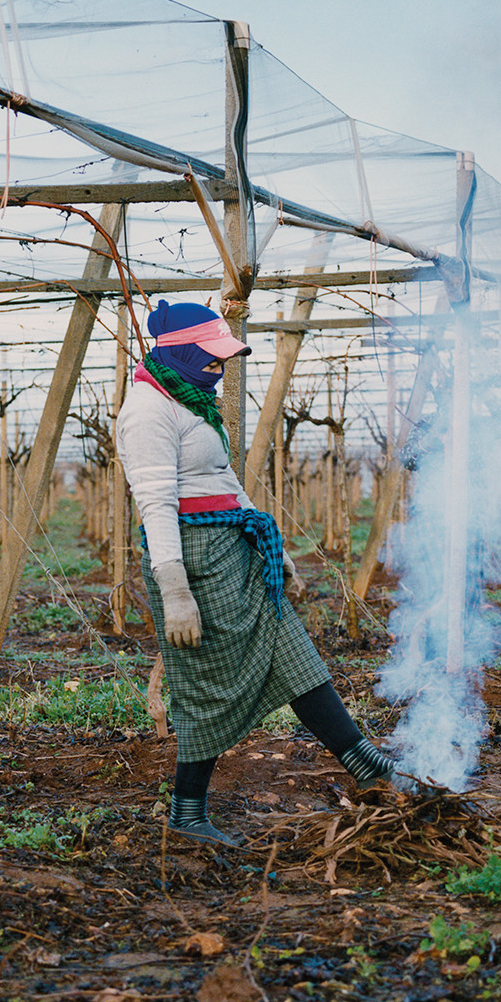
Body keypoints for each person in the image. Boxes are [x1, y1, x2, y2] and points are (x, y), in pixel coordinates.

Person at [117, 301, 408, 849]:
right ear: (178, 351)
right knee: (208, 683)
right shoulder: (147, 410)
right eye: (210, 357)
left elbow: (223, 477)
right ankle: (186, 811)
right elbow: (155, 503)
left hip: (234, 546)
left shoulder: (193, 399)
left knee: (291, 649)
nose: (219, 368)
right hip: (193, 558)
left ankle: (364, 761)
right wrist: (175, 590)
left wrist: (278, 553)